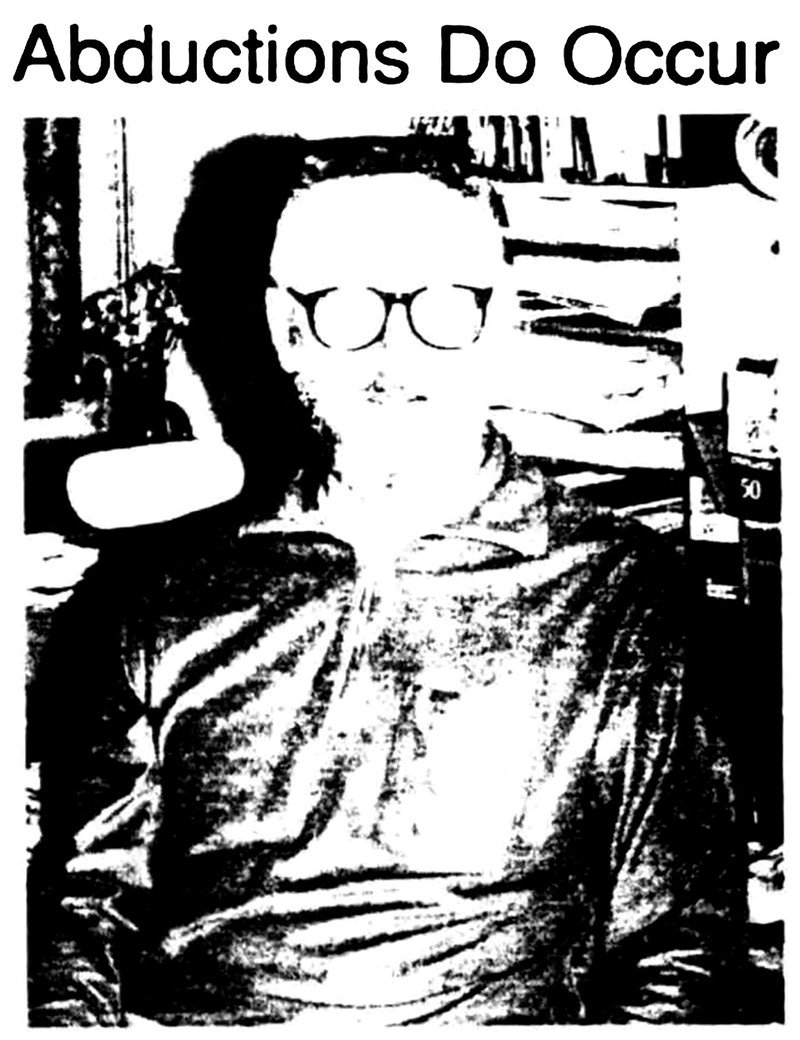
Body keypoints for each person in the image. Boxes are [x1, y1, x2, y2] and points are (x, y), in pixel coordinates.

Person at [28, 135, 747, 1025]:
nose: (394, 354)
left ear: (501, 322)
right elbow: (80, 925)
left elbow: (679, 953)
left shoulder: (624, 594)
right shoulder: (158, 590)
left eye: (442, 306)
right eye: (348, 307)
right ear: (288, 331)